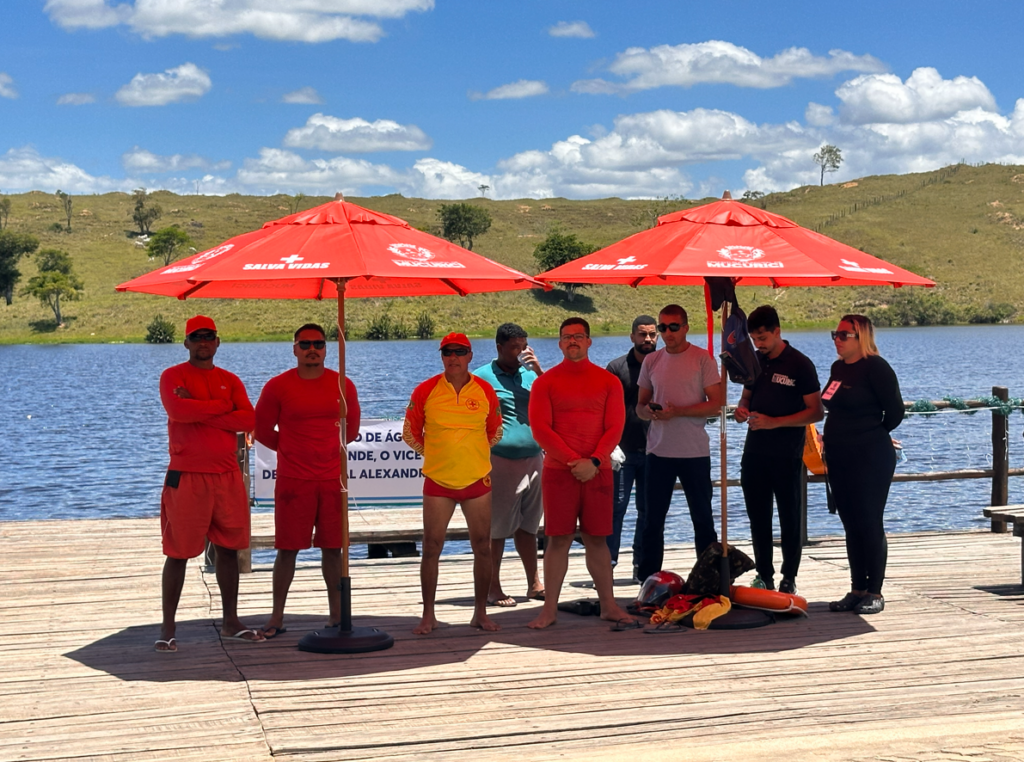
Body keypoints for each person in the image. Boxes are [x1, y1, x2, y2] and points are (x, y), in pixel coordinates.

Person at [156, 315, 262, 652]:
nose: (203, 342)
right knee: (179, 552)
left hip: (227, 475)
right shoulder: (172, 376)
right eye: (196, 336)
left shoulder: (230, 379)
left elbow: (249, 418)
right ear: (186, 343)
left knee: (229, 549)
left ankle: (231, 622)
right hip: (187, 476)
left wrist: (199, 407)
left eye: (209, 336)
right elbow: (179, 411)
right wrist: (221, 408)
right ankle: (168, 628)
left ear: (218, 342)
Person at [526, 317, 635, 629]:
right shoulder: (544, 383)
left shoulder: (608, 381)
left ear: (589, 341)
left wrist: (595, 462)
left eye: (578, 336)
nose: (572, 341)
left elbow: (615, 427)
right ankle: (549, 609)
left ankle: (609, 605)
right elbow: (541, 430)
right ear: (560, 343)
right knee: (557, 540)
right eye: (566, 337)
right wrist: (575, 461)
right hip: (559, 473)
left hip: (598, 472)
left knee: (597, 540)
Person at [254, 323, 361, 638]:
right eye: (305, 344)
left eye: (318, 344)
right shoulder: (277, 386)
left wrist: (326, 451)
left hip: (332, 480)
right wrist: (289, 449)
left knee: (333, 549)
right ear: (294, 349)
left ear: (326, 349)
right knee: (287, 550)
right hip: (293, 482)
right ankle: (276, 617)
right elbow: (261, 429)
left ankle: (336, 615)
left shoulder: (343, 384)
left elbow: (352, 430)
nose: (312, 349)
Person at [404, 333, 504, 635]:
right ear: (441, 356)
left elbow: (495, 431)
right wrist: (436, 455)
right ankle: (428, 615)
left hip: (477, 480)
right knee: (431, 547)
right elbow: (410, 433)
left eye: (460, 352)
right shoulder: (425, 390)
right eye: (447, 352)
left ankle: (480, 613)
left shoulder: (485, 390)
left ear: (470, 356)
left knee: (483, 547)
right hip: (438, 481)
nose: (453, 357)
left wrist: (472, 454)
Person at [734, 306, 823, 595]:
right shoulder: (755, 361)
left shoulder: (800, 364)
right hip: (755, 453)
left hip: (787, 454)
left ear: (777, 332)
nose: (758, 344)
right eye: (754, 339)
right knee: (758, 518)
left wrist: (775, 422)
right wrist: (741, 411)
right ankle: (764, 575)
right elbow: (746, 397)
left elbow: (816, 411)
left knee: (789, 517)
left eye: (762, 338)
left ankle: (789, 577)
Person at [822, 314, 905, 615]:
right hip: (838, 454)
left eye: (844, 335)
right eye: (835, 334)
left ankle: (875, 592)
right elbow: (829, 401)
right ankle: (857, 589)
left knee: (869, 521)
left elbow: (895, 412)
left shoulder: (876, 368)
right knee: (850, 522)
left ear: (862, 337)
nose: (837, 339)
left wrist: (871, 433)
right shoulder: (838, 368)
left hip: (870, 455)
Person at [636, 304, 721, 582]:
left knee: (703, 520)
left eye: (673, 327)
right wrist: (649, 412)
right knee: (652, 521)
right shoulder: (652, 361)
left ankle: (708, 581)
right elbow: (640, 406)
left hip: (694, 452)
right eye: (663, 327)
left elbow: (716, 404)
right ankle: (648, 582)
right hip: (658, 452)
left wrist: (679, 412)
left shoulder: (702, 358)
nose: (668, 333)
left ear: (685, 327)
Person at [473, 323, 546, 607]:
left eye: (524, 346)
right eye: (515, 347)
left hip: (534, 459)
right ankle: (494, 587)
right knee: (498, 528)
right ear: (499, 347)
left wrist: (538, 369)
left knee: (529, 526)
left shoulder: (532, 374)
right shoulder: (481, 377)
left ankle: (534, 583)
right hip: (500, 461)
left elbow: (556, 398)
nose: (520, 352)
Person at [605, 315, 658, 580]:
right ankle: (607, 565)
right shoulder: (616, 368)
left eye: (652, 334)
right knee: (616, 509)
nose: (647, 339)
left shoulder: (664, 365)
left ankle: (642, 566)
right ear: (632, 337)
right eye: (642, 334)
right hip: (622, 453)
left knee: (648, 512)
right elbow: (603, 408)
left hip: (655, 451)